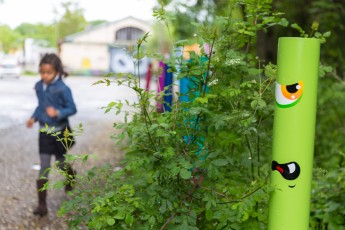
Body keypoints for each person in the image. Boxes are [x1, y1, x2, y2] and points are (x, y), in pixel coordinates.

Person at [26, 53, 77, 217]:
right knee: (44, 166)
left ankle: (70, 177)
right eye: (42, 72)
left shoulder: (63, 88)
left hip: (61, 132)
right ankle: (42, 205)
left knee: (61, 163)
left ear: (57, 72)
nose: (44, 76)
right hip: (44, 133)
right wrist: (34, 117)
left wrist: (57, 112)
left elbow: (72, 108)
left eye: (48, 73)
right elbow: (40, 106)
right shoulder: (39, 86)